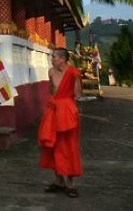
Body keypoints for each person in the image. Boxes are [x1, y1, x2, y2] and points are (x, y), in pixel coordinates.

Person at [39, 47, 83, 198]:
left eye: (55, 57)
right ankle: (58, 182)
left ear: (63, 59)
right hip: (54, 109)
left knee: (69, 146)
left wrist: (77, 79)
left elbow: (77, 95)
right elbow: (52, 92)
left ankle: (70, 184)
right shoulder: (51, 72)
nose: (52, 59)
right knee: (53, 146)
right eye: (52, 57)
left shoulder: (72, 72)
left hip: (67, 112)